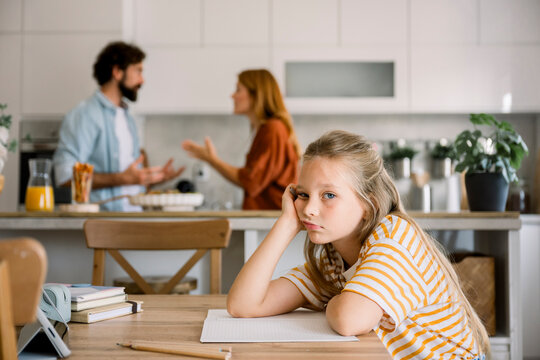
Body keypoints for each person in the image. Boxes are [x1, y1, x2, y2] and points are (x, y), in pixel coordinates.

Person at [227, 130, 489, 359]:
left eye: (329, 195)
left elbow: (349, 319)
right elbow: (244, 305)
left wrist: (332, 303)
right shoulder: (331, 260)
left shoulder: (394, 235)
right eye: (304, 195)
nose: (309, 209)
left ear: (369, 205)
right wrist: (286, 224)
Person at [53, 41, 184, 211]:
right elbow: (64, 176)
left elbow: (132, 179)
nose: (142, 80)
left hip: (134, 220)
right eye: (138, 71)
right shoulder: (84, 115)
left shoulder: (128, 118)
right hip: (103, 224)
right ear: (117, 72)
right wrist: (121, 179)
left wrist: (155, 178)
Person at [182, 69, 300, 210]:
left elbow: (251, 182)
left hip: (271, 218)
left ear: (256, 95)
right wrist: (211, 159)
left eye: (238, 90)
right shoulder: (268, 129)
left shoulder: (273, 129)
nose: (232, 96)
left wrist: (212, 160)